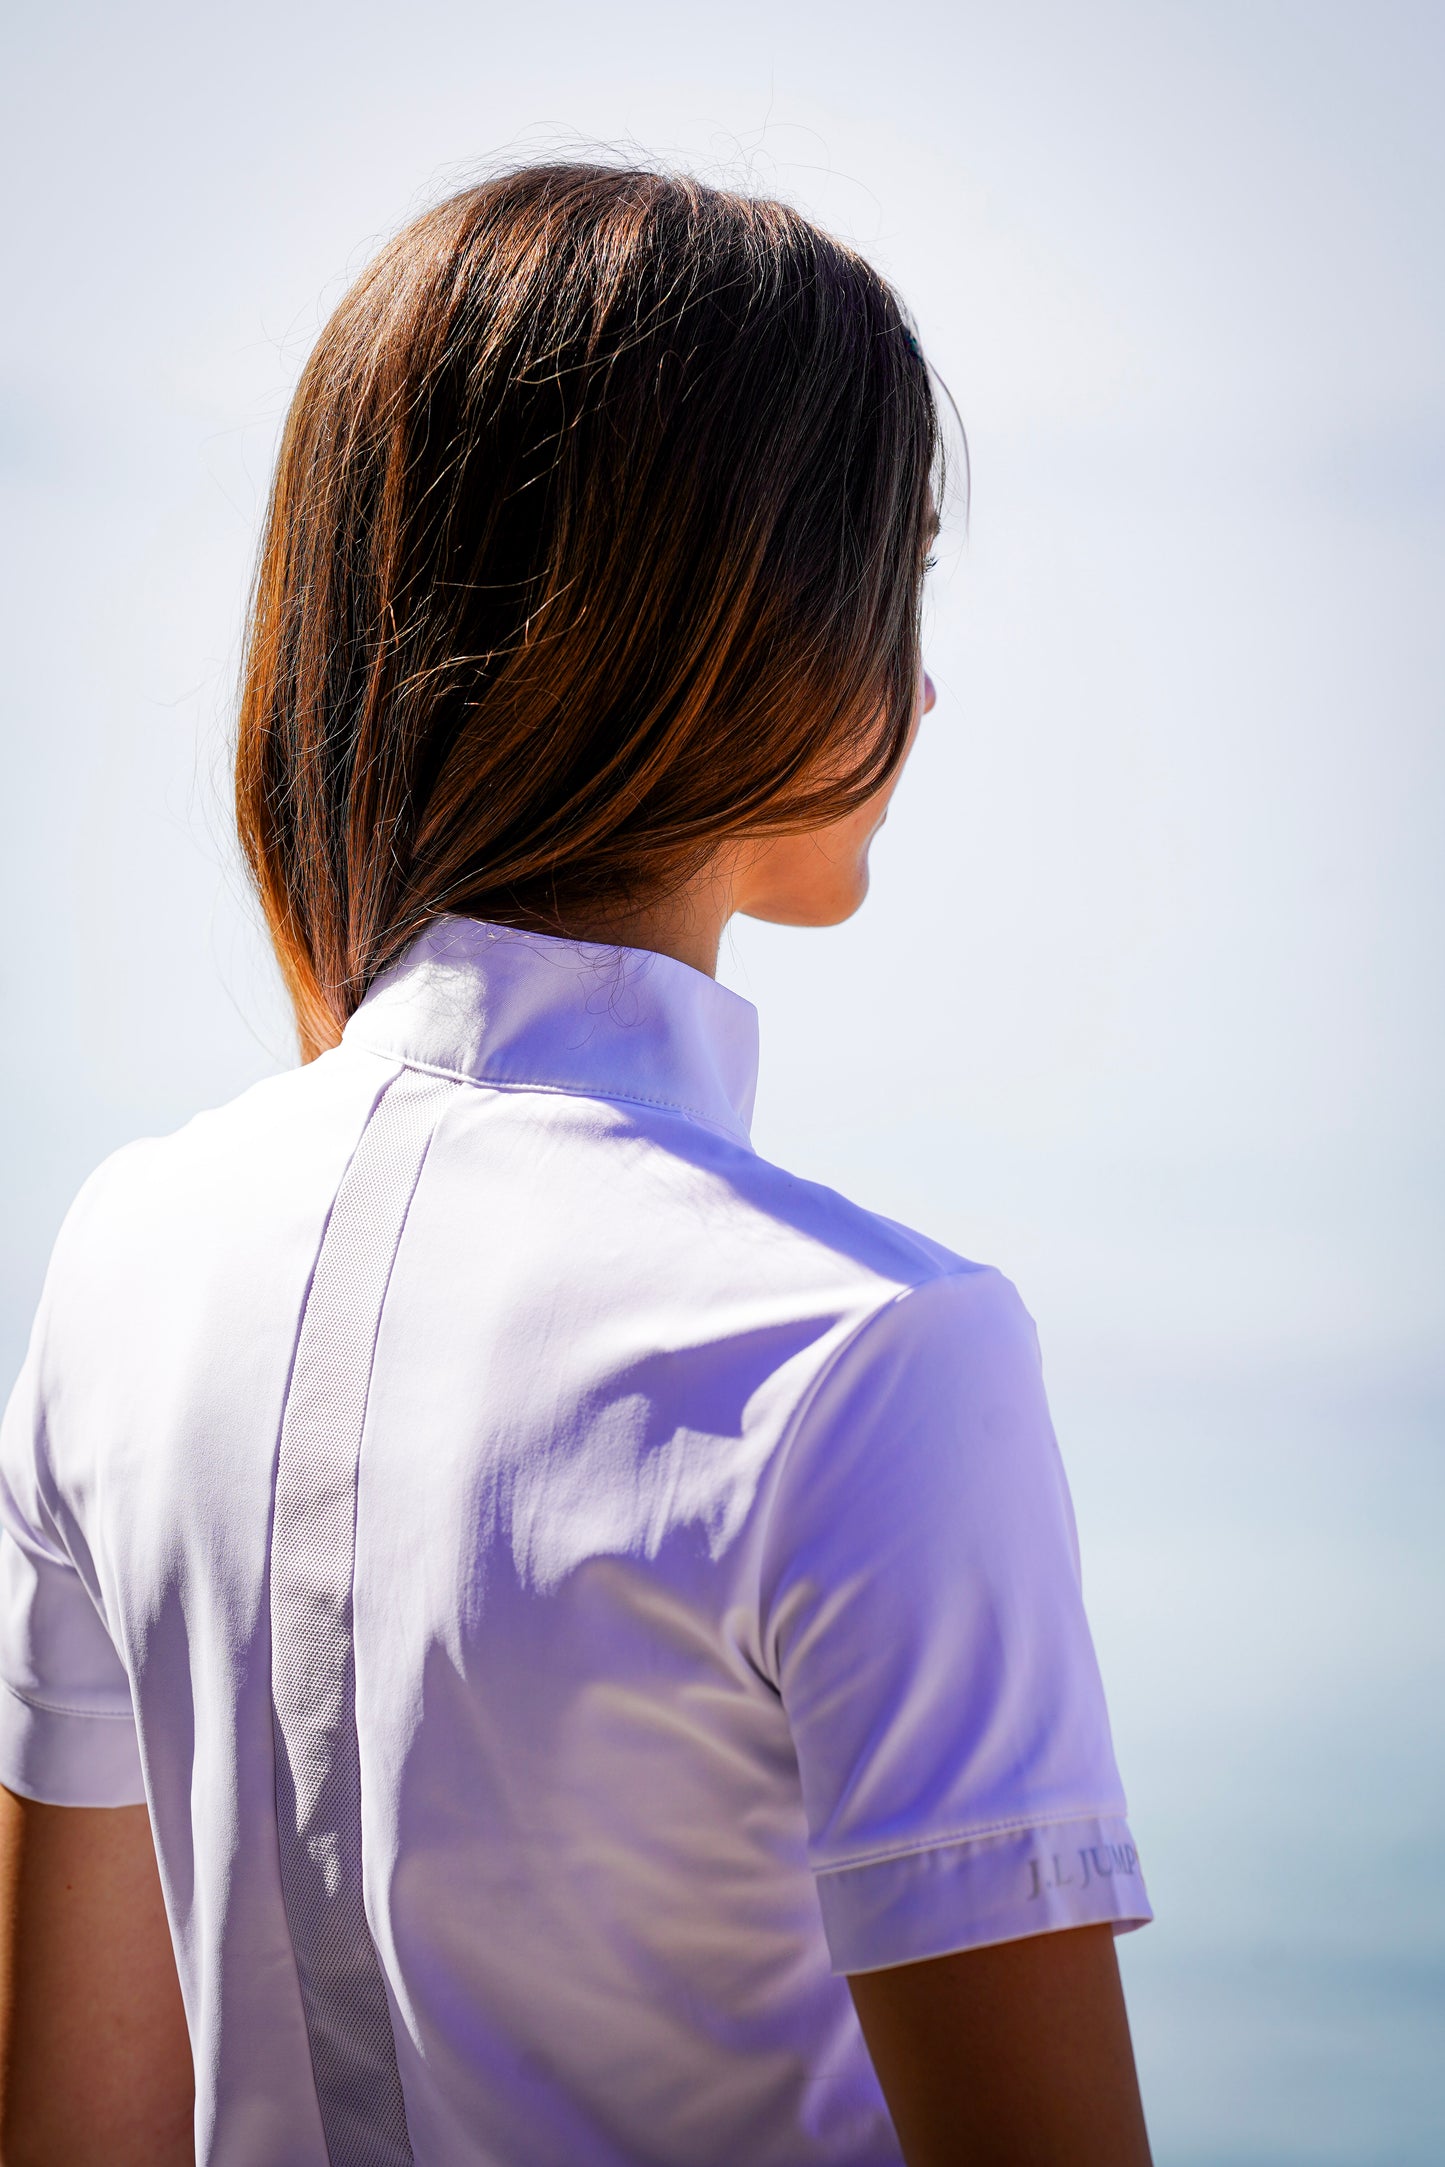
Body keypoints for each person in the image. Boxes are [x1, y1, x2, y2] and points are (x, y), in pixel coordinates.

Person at [0, 162, 1154, 2166]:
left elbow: (67, 2127)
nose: (931, 679)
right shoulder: (870, 1356)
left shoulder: (126, 1260)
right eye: (902, 580)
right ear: (754, 631)